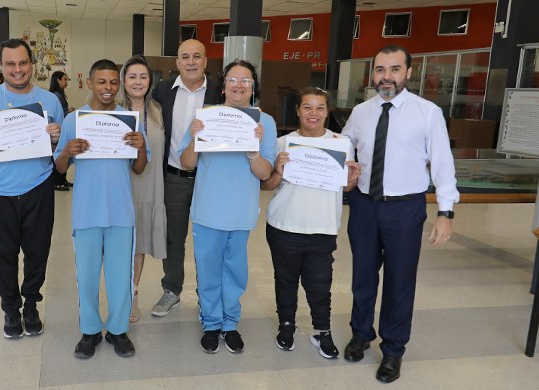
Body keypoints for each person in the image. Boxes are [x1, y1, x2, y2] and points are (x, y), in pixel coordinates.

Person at [341, 45, 459, 383]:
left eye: (394, 69)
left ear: (408, 73)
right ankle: (362, 333)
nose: (386, 77)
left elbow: (442, 163)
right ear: (373, 74)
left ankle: (393, 350)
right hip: (363, 205)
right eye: (380, 70)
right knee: (363, 277)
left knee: (399, 282)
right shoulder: (362, 112)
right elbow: (345, 144)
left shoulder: (427, 112)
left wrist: (445, 211)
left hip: (405, 209)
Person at [179, 60, 275, 354]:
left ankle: (230, 323)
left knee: (235, 271)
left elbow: (264, 173)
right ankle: (210, 322)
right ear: (224, 86)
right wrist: (196, 137)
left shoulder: (264, 123)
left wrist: (252, 151)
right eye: (233, 79)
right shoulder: (206, 117)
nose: (239, 85)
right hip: (208, 209)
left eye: (246, 81)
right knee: (208, 269)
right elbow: (186, 163)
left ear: (253, 88)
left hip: (240, 211)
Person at [54, 59, 148, 359]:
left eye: (112, 82)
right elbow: (59, 167)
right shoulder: (75, 121)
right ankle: (91, 330)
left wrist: (141, 146)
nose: (107, 88)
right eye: (101, 82)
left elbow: (139, 168)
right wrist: (68, 151)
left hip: (121, 211)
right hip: (86, 212)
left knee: (121, 275)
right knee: (88, 275)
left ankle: (118, 330)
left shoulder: (129, 120)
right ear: (90, 84)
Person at [0, 38, 63, 340]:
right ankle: (11, 309)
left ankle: (32, 306)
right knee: (3, 255)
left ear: (31, 65)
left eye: (23, 63)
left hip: (38, 186)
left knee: (37, 252)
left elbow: (60, 151)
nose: (17, 69)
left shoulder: (49, 101)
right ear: (0, 65)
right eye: (10, 64)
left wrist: (55, 138)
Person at [262, 87, 360, 359]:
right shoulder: (283, 143)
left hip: (323, 227)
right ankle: (286, 326)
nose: (313, 113)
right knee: (285, 280)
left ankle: (322, 332)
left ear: (327, 111)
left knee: (320, 284)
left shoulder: (341, 143)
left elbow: (347, 189)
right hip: (284, 224)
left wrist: (352, 180)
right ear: (298, 111)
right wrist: (278, 171)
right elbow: (266, 185)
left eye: (319, 108)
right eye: (307, 107)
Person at [151, 38, 220, 317]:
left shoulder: (219, 91)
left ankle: (208, 294)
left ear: (205, 62)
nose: (190, 62)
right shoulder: (162, 91)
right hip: (174, 177)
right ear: (177, 63)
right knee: (173, 237)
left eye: (196, 56)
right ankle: (172, 290)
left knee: (209, 238)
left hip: (210, 178)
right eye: (185, 57)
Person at [116, 55, 166, 323]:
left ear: (150, 81)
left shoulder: (158, 110)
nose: (138, 82)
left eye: (143, 76)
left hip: (150, 187)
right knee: (122, 243)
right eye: (132, 76)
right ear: (124, 80)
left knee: (141, 243)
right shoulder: (114, 111)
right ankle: (120, 293)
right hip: (122, 185)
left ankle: (134, 293)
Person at [48, 70, 72, 191]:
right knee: (58, 155)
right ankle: (57, 181)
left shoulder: (60, 94)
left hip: (63, 128)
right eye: (65, 79)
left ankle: (63, 180)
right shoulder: (55, 96)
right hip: (58, 130)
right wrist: (70, 112)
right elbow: (59, 114)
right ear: (58, 80)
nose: (66, 82)